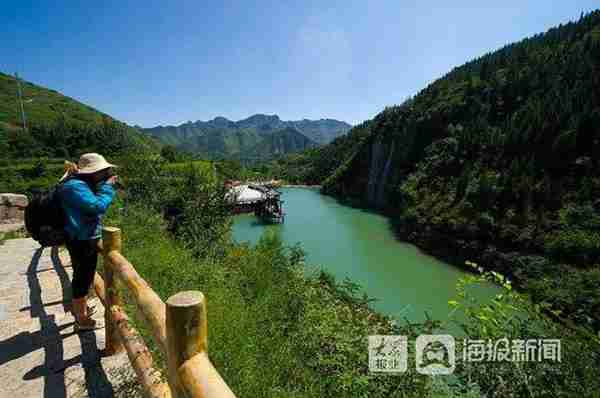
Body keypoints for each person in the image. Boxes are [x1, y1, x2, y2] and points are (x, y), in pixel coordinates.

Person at [59, 153, 118, 331]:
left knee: (83, 275)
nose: (106, 174)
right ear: (93, 172)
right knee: (82, 278)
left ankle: (81, 310)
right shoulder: (75, 187)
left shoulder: (78, 184)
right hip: (81, 239)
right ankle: (82, 320)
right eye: (103, 171)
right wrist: (107, 188)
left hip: (81, 236)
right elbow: (97, 207)